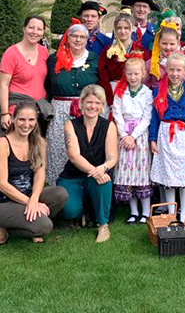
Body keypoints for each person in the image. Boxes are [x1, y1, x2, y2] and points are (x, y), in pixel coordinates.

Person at [0, 102, 68, 244]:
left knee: (60, 194)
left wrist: (34, 199)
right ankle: (10, 226)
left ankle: (19, 224)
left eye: (31, 120)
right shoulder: (3, 144)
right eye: (21, 119)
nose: (26, 124)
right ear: (13, 119)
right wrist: (31, 203)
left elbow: (39, 175)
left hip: (27, 196)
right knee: (45, 226)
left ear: (36, 120)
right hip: (4, 201)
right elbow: (2, 185)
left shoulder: (39, 142)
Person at [58, 85, 118, 243]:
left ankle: (103, 226)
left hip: (97, 177)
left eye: (97, 103)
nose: (93, 106)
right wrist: (95, 171)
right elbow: (74, 156)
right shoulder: (70, 125)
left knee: (104, 180)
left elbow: (112, 157)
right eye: (89, 102)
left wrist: (102, 169)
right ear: (81, 103)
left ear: (102, 105)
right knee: (69, 211)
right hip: (73, 176)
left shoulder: (109, 126)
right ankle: (81, 213)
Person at [45, 20, 99, 184]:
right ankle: (58, 188)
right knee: (59, 148)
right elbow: (47, 84)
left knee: (86, 149)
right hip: (60, 110)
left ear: (87, 39)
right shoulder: (54, 59)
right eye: (74, 36)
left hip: (87, 111)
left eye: (82, 36)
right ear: (67, 38)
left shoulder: (94, 59)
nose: (78, 40)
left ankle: (87, 187)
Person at [149, 52, 185, 223]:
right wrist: (153, 139)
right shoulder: (158, 91)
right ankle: (172, 212)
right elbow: (155, 116)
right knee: (169, 175)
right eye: (171, 69)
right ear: (166, 70)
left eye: (179, 70)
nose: (175, 74)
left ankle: (184, 213)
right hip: (166, 134)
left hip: (184, 135)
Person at [111, 56, 154, 224]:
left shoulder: (147, 93)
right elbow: (117, 114)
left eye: (136, 73)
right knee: (128, 174)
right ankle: (133, 211)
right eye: (129, 74)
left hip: (140, 137)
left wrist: (134, 135)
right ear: (125, 74)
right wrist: (124, 135)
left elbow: (147, 117)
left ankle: (145, 212)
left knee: (141, 174)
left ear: (143, 73)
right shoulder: (120, 92)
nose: (133, 77)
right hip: (124, 136)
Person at [0, 16, 50, 132]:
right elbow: (3, 85)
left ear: (43, 33)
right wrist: (4, 113)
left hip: (38, 112)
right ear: (24, 28)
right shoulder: (11, 53)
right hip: (17, 112)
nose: (35, 32)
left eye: (39, 29)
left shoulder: (44, 52)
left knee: (36, 147)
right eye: (31, 27)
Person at [98, 10, 146, 106]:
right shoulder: (108, 51)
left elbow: (145, 73)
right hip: (113, 91)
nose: (123, 31)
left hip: (135, 92)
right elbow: (103, 77)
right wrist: (110, 99)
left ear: (132, 29)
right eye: (119, 28)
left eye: (126, 28)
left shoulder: (139, 49)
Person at [146, 23, 185, 93]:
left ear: (178, 43)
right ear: (158, 43)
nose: (168, 47)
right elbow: (145, 89)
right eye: (164, 43)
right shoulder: (151, 64)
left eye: (172, 44)